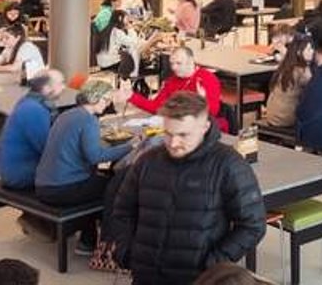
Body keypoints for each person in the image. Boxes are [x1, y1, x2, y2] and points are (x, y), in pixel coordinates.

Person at [107, 92, 265, 285]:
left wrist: (214, 263)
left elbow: (252, 225)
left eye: (183, 135)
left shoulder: (229, 165)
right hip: (145, 274)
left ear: (205, 127)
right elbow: (122, 211)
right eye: (168, 134)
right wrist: (126, 251)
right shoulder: (147, 161)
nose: (173, 143)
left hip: (197, 278)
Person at [36, 79, 133, 246]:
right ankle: (102, 242)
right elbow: (94, 156)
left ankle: (88, 237)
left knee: (98, 180)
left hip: (44, 184)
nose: (108, 103)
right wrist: (130, 147)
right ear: (94, 98)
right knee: (116, 186)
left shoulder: (66, 114)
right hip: (63, 188)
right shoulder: (89, 120)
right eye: (105, 99)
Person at [0, 67, 70, 190]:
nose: (64, 87)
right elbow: (47, 149)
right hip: (20, 175)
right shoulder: (34, 109)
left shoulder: (29, 101)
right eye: (60, 84)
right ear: (47, 88)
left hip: (14, 168)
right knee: (81, 173)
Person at [129, 44, 226, 126]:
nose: (174, 67)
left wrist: (202, 100)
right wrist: (131, 96)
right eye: (172, 63)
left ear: (191, 61)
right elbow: (157, 107)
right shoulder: (172, 81)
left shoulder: (207, 79)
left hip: (204, 126)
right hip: (179, 124)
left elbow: (212, 113)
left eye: (179, 63)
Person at [262, 35, 317, 135]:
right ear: (299, 52)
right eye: (309, 49)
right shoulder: (303, 70)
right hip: (286, 119)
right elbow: (315, 89)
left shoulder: (284, 65)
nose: (312, 51)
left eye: (312, 48)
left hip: (272, 115)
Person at [0, 12, 46, 81]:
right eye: (2, 38)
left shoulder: (26, 47)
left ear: (18, 37)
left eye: (7, 38)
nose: (3, 41)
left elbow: (14, 68)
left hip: (37, 82)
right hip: (23, 80)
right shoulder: (9, 47)